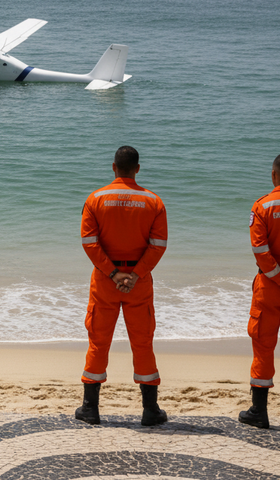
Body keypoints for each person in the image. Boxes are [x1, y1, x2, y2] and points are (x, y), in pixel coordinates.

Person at [75, 146, 168, 426]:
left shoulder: (96, 198)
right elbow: (158, 246)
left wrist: (113, 273)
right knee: (142, 343)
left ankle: (90, 409)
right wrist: (135, 274)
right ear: (137, 169)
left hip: (105, 280)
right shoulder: (153, 201)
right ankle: (150, 411)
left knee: (98, 341)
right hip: (138, 283)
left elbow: (89, 242)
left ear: (113, 167)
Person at [240, 153, 280, 429]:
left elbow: (260, 249)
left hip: (271, 286)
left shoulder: (263, 206)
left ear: (273, 175)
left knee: (263, 346)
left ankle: (259, 412)